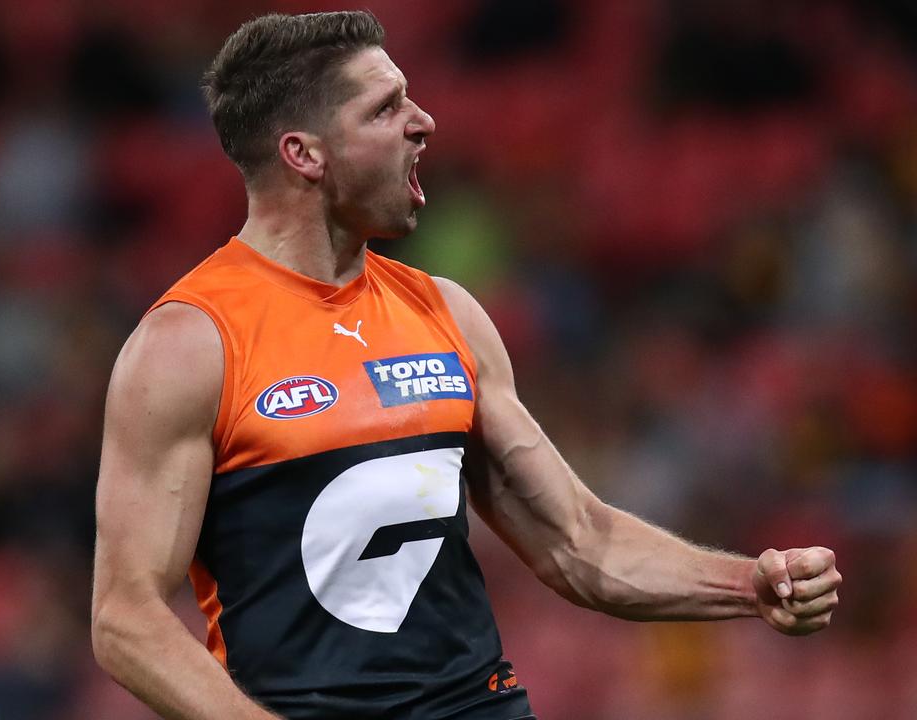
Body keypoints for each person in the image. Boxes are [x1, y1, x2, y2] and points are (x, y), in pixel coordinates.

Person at [91, 11, 842, 720]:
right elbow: (126, 617)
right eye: (385, 110)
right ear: (303, 154)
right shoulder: (192, 343)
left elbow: (578, 542)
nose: (424, 122)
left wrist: (747, 584)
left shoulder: (446, 314)